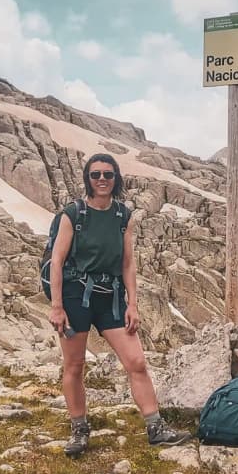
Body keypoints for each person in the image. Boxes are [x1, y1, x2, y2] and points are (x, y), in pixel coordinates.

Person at [47, 153, 191, 456]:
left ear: (116, 179)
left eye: (108, 175)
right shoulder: (73, 214)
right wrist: (57, 306)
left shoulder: (121, 215)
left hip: (111, 297)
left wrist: (133, 304)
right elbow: (57, 262)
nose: (102, 180)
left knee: (136, 361)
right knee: (74, 365)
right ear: (87, 178)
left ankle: (155, 427)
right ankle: (79, 429)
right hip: (76, 296)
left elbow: (128, 263)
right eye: (96, 174)